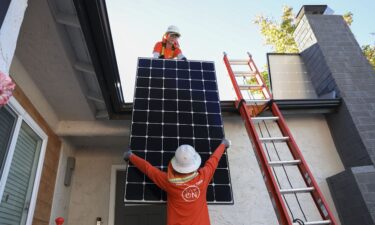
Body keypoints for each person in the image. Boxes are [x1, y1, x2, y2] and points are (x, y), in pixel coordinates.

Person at [123, 139, 231, 225]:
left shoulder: (169, 182)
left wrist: (130, 156)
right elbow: (213, 161)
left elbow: (149, 170)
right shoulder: (203, 177)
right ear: (194, 164)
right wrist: (223, 144)